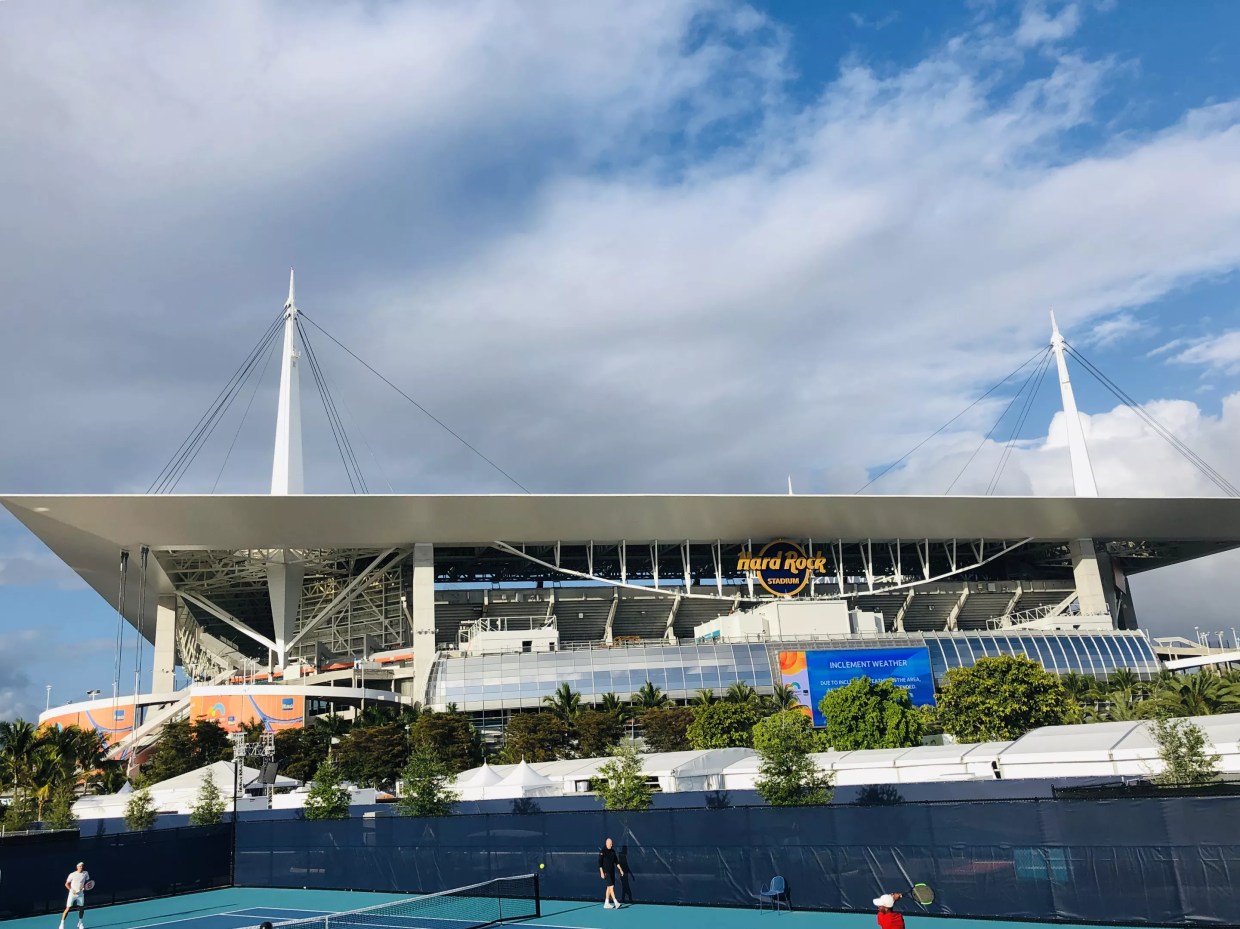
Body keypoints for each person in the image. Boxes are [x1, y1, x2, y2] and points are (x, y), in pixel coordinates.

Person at [60, 862, 90, 929]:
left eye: (82, 866)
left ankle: (80, 923)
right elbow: (66, 884)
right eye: (80, 866)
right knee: (68, 908)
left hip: (80, 894)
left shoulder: (86, 873)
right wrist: (71, 890)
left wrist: (84, 887)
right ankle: (62, 924)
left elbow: (88, 882)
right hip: (72, 894)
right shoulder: (72, 874)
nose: (81, 867)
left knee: (81, 908)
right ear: (77, 867)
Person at [598, 836, 624, 909]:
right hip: (606, 872)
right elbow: (599, 863)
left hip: (612, 871)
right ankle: (616, 902)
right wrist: (601, 872)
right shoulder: (602, 851)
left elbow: (616, 862)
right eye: (610, 844)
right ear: (607, 843)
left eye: (612, 844)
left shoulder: (612, 851)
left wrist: (621, 870)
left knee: (609, 887)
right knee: (611, 886)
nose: (611, 845)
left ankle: (606, 903)